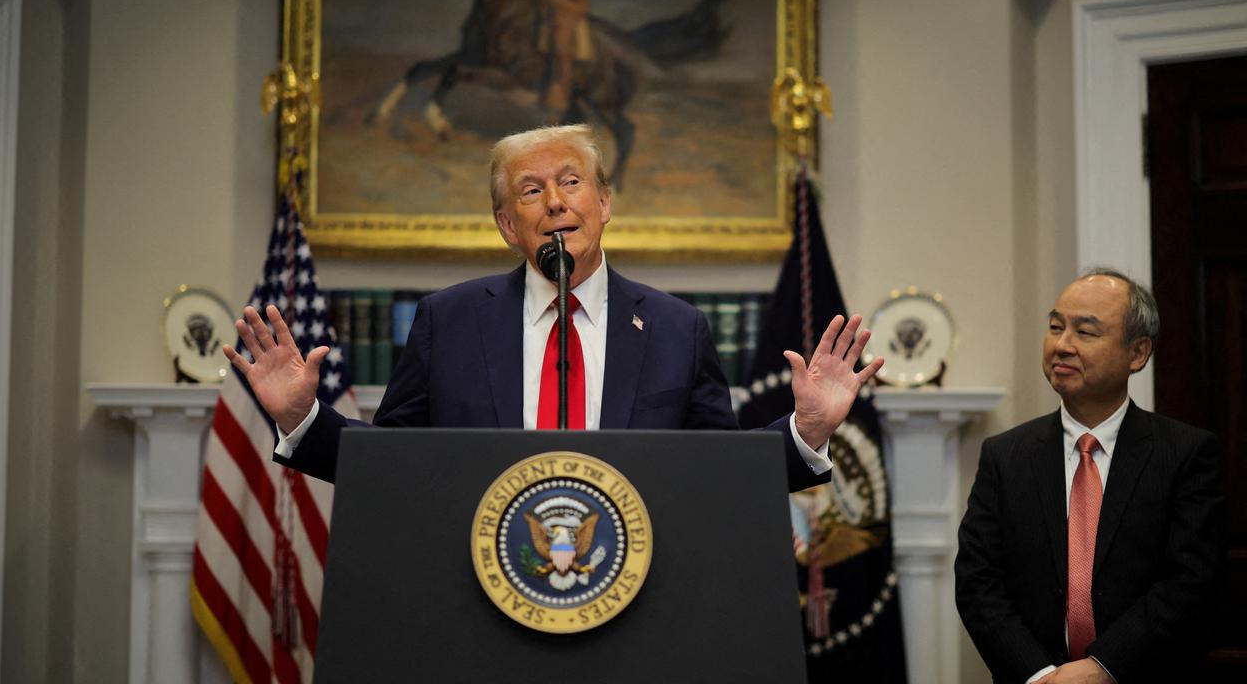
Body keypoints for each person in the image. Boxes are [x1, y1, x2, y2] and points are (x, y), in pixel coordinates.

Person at [224, 124, 882, 490]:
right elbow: (394, 466)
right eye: (531, 191)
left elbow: (719, 475)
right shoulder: (447, 322)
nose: (556, 202)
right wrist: (302, 419)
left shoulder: (677, 329)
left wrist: (808, 432)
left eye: (571, 182)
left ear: (604, 202)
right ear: (509, 225)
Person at [955, 269, 1224, 684]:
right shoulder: (1006, 455)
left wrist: (1101, 670)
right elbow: (978, 584)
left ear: (1138, 353)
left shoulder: (1185, 455)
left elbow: (1189, 583)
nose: (1062, 344)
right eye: (1056, 326)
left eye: (1086, 331)